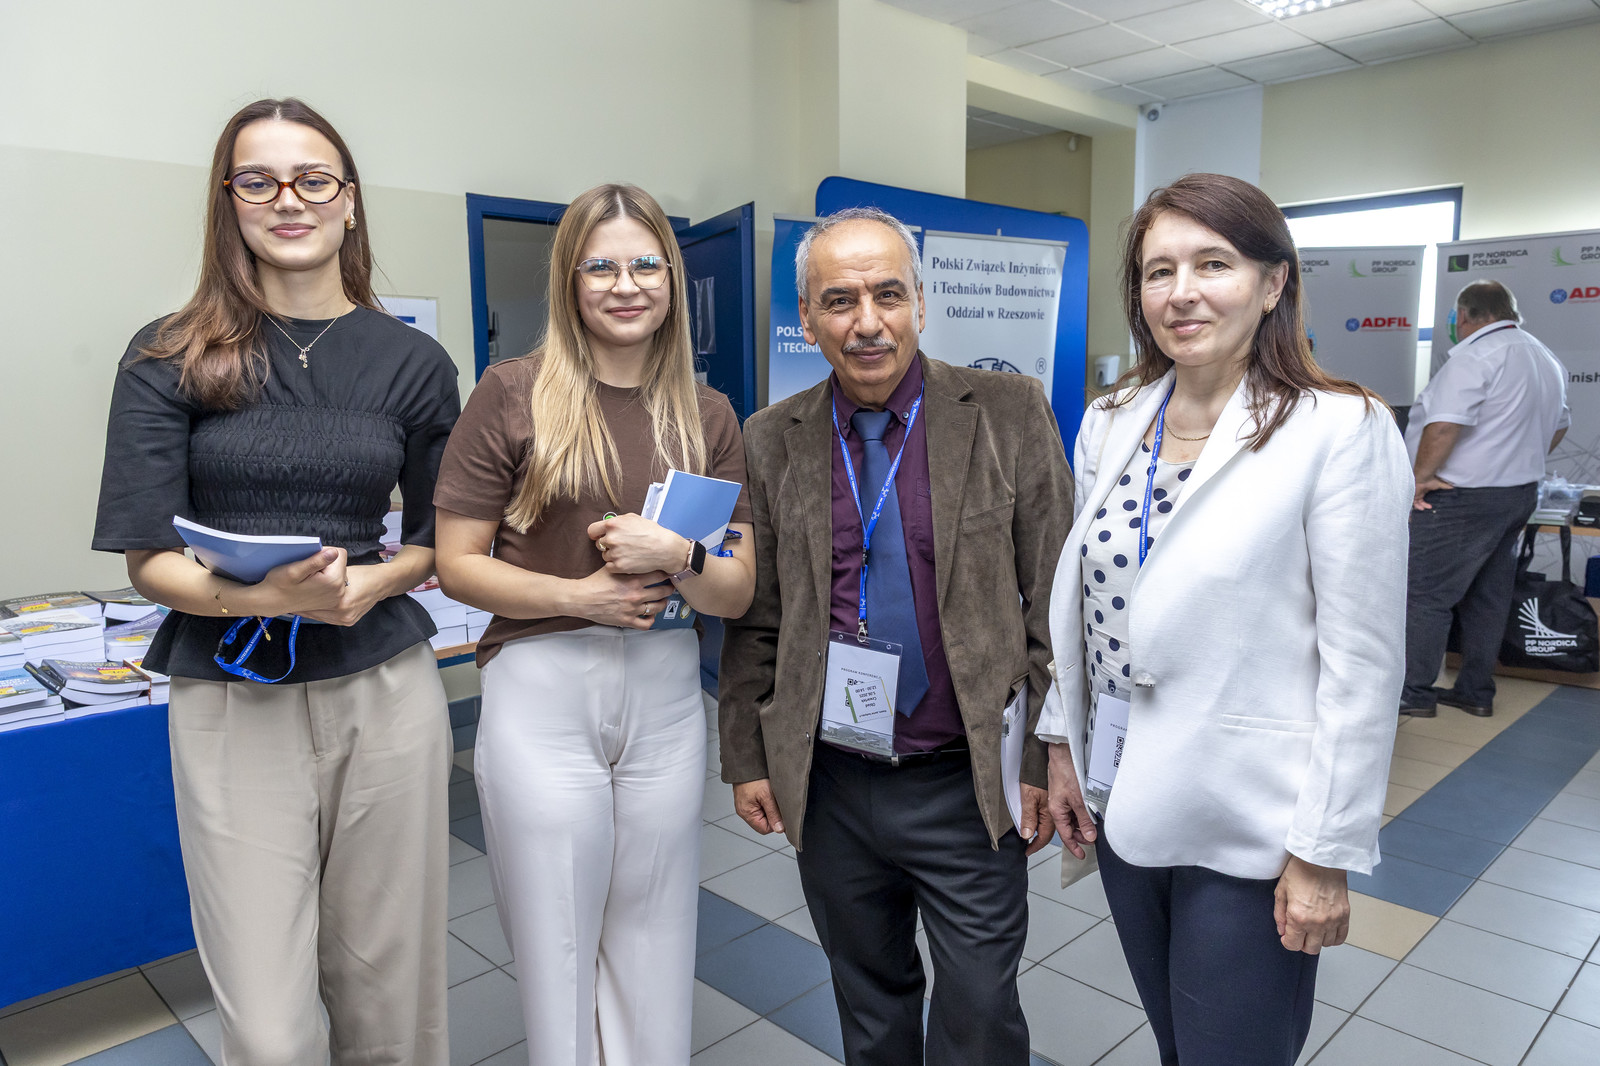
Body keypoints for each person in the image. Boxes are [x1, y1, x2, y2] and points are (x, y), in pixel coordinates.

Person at [92, 98, 459, 1065]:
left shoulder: (414, 362)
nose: (288, 199)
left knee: (392, 993)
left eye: (313, 179)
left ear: (350, 201)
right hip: (230, 690)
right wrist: (267, 600)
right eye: (257, 180)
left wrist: (374, 583)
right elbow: (148, 558)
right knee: (267, 1024)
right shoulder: (167, 353)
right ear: (229, 202)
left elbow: (440, 540)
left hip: (383, 685)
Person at [1037, 173, 1412, 1066]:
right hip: (1124, 794)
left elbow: (1363, 666)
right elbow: (1089, 607)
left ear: (1273, 282)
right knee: (1178, 1044)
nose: (1182, 293)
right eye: (1158, 271)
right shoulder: (1112, 421)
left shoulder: (1340, 429)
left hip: (1253, 819)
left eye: (1213, 264)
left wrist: (1324, 850)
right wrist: (1062, 744)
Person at [718, 207, 1069, 1066]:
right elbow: (759, 615)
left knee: (980, 1013)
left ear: (921, 303)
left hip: (966, 780)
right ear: (808, 321)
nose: (867, 322)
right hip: (832, 781)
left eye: (887, 294)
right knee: (870, 1008)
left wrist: (1040, 756)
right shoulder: (771, 438)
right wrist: (748, 756)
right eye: (839, 301)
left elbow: (1055, 600)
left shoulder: (1008, 412)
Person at [432, 183, 756, 1066]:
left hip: (665, 694)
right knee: (559, 945)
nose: (626, 285)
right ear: (570, 282)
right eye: (601, 266)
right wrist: (582, 598)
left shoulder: (709, 414)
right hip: (543, 687)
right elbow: (457, 563)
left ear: (672, 278)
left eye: (646, 264)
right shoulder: (512, 393)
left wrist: (678, 555)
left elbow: (734, 592)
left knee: (657, 939)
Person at [1401, 280, 1570, 716]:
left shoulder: (1477, 356)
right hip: (1518, 493)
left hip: (1462, 498)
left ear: (1464, 315)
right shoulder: (1544, 357)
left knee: (1424, 594)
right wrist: (1515, 456)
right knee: (1488, 596)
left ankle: (1414, 693)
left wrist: (1418, 480)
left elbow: (1443, 426)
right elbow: (1560, 426)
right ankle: (1475, 692)